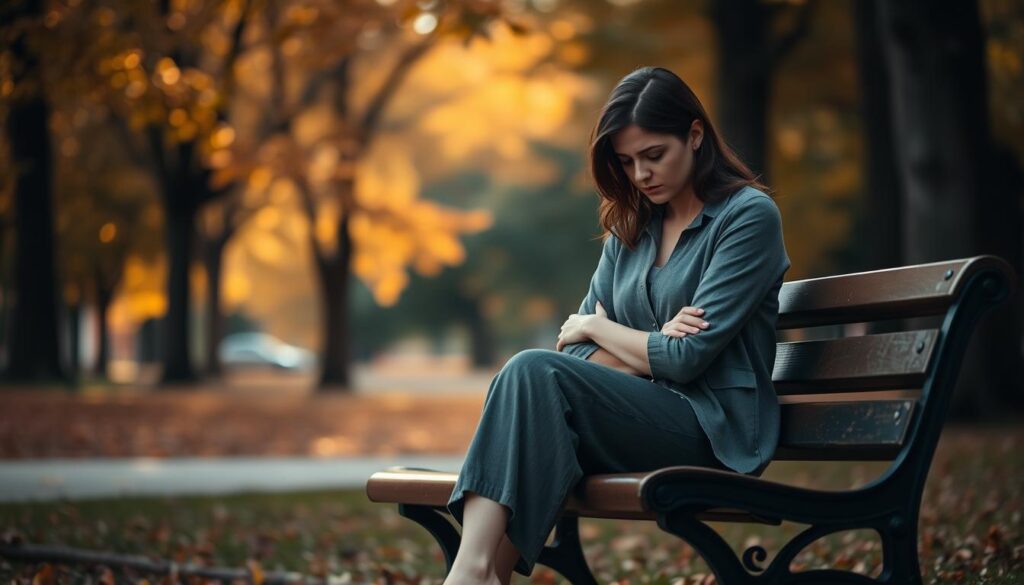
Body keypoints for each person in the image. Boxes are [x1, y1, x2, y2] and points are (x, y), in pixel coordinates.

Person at [443, 66, 791, 585]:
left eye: (654, 155)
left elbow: (685, 358)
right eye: (627, 162)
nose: (641, 174)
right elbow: (573, 355)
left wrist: (600, 328)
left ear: (695, 136)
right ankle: (479, 576)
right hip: (634, 419)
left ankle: (470, 574)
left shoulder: (747, 218)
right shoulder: (630, 230)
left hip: (712, 433)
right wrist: (647, 347)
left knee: (529, 374)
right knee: (529, 392)